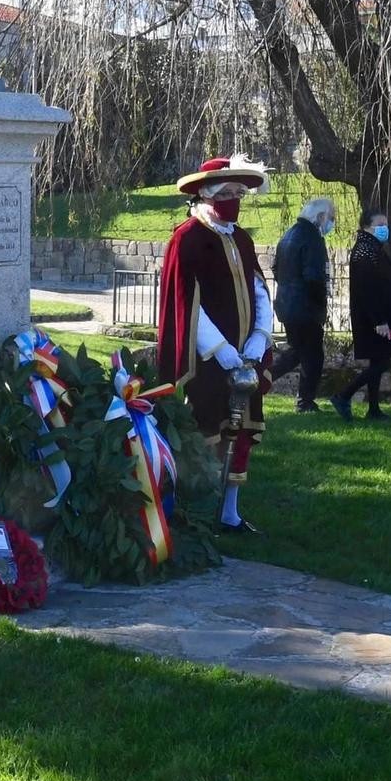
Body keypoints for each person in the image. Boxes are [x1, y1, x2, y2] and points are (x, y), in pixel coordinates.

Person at [155, 155, 274, 534]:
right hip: (204, 357)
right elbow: (185, 302)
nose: (234, 200)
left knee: (241, 432)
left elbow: (258, 289)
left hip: (245, 356)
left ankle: (230, 513)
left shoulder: (241, 237)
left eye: (240, 193)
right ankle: (194, 511)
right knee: (207, 429)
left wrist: (259, 337)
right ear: (207, 195)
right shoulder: (187, 238)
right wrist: (220, 350)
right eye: (227, 193)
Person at [273, 197, 335, 415]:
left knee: (297, 351)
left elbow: (275, 268)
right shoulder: (312, 238)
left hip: (287, 304)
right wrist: (321, 304)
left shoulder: (289, 234)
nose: (331, 222)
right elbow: (314, 277)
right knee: (312, 356)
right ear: (320, 217)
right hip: (306, 307)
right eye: (331, 217)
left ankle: (261, 381)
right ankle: (305, 402)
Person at [337, 210, 391, 422]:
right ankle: (343, 395)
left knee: (378, 362)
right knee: (382, 363)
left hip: (380, 316)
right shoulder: (365, 252)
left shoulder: (373, 248)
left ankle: (373, 409)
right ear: (366, 226)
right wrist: (379, 321)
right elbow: (367, 290)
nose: (385, 228)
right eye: (380, 224)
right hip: (374, 319)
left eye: (386, 224)